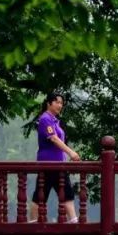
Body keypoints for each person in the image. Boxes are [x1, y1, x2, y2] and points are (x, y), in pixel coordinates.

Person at [31, 92, 81, 223]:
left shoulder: (54, 120)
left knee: (65, 190)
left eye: (61, 103)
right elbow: (53, 138)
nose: (60, 105)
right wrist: (71, 152)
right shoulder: (45, 119)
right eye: (57, 102)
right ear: (49, 103)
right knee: (41, 193)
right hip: (48, 163)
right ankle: (32, 223)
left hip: (59, 163)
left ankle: (73, 220)